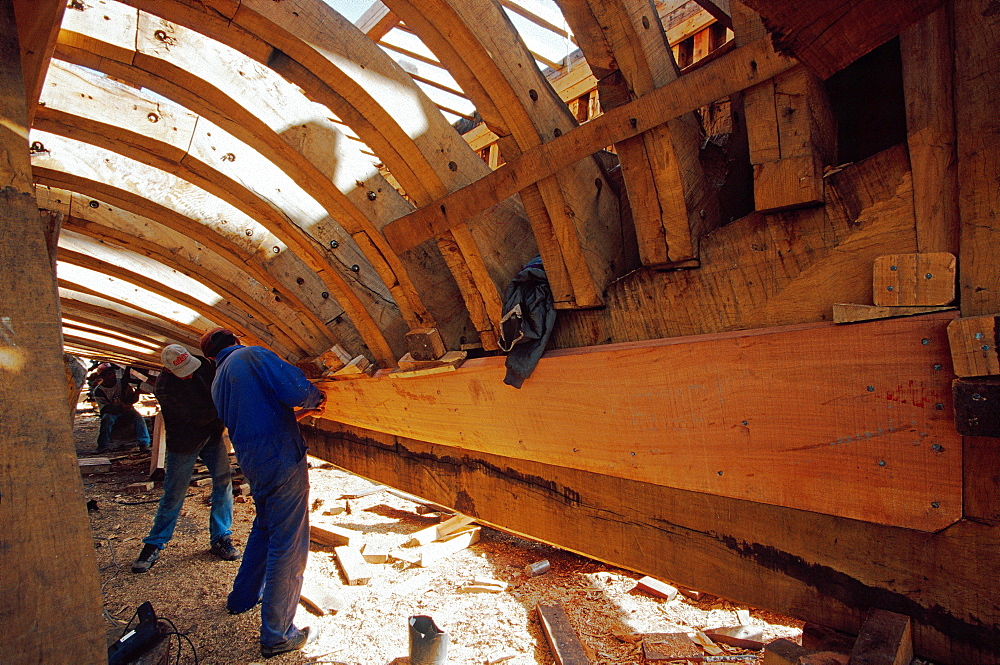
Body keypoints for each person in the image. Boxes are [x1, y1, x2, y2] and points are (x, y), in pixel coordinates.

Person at [200, 327, 324, 659]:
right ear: (236, 339)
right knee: (289, 543)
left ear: (212, 356)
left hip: (255, 463)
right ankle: (278, 634)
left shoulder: (219, 380)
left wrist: (300, 416)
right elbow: (298, 390)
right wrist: (316, 399)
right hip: (282, 459)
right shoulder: (252, 355)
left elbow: (254, 415)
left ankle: (241, 599)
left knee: (265, 529)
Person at [131, 345, 241, 573]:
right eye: (184, 373)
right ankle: (154, 543)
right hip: (185, 442)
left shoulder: (203, 365)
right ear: (170, 370)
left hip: (211, 435)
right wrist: (227, 408)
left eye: (190, 368)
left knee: (223, 482)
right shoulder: (164, 387)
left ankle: (221, 537)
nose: (190, 374)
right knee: (174, 493)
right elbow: (196, 417)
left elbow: (220, 387)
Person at [92, 363, 151, 453]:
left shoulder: (122, 383)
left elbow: (132, 398)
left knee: (138, 418)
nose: (112, 376)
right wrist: (120, 407)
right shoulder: (99, 391)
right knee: (106, 420)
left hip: (126, 410)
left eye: (112, 373)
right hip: (111, 412)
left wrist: (135, 395)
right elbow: (105, 409)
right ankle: (102, 446)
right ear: (102, 377)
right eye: (108, 374)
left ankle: (144, 443)